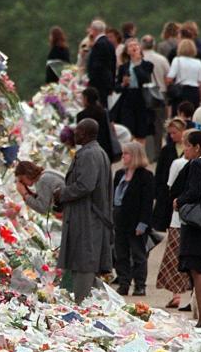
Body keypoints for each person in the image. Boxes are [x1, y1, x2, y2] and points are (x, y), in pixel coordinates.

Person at [55, 118, 113, 303]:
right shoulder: (98, 152)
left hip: (87, 216)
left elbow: (85, 185)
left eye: (78, 131)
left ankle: (82, 302)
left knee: (84, 260)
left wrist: (62, 194)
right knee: (86, 258)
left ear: (86, 133)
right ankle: (89, 300)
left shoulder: (89, 154)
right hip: (89, 214)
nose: (74, 133)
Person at [172, 130, 201, 328]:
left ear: (197, 147)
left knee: (197, 269)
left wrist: (179, 201)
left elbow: (195, 190)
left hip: (196, 224)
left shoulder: (197, 164)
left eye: (188, 146)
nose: (185, 150)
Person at [155, 121, 192, 308]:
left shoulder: (178, 163)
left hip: (179, 218)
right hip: (197, 220)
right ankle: (190, 298)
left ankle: (177, 294)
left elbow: (170, 187)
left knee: (176, 258)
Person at [112, 142, 155, 295]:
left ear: (135, 155)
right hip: (120, 219)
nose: (123, 156)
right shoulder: (119, 175)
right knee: (121, 253)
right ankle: (124, 282)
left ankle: (140, 285)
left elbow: (147, 202)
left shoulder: (145, 176)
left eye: (126, 154)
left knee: (138, 254)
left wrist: (143, 223)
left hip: (136, 221)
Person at [111, 38, 155, 145]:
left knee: (141, 131)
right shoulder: (123, 67)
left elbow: (145, 79)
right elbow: (116, 87)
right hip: (128, 100)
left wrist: (136, 65)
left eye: (136, 45)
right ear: (127, 51)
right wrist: (123, 84)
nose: (134, 47)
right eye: (130, 46)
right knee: (128, 130)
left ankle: (140, 156)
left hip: (142, 99)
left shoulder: (147, 65)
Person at [141, 35, 170, 161]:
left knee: (146, 124)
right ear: (154, 44)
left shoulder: (139, 59)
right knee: (158, 125)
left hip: (144, 94)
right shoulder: (161, 59)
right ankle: (157, 153)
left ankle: (148, 153)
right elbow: (168, 78)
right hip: (160, 94)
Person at [77, 87, 121, 164]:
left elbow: (79, 136)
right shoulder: (104, 112)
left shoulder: (81, 115)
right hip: (105, 149)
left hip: (89, 151)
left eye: (82, 98)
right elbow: (111, 128)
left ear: (86, 99)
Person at [166, 38, 201, 116]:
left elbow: (169, 78)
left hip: (181, 92)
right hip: (194, 92)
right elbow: (200, 83)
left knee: (178, 117)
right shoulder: (198, 62)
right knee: (192, 116)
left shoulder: (177, 60)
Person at [86, 19, 116, 107]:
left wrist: (91, 78)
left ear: (94, 30)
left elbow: (97, 66)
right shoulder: (109, 43)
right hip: (107, 81)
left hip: (99, 83)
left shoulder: (99, 44)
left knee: (99, 105)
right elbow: (113, 64)